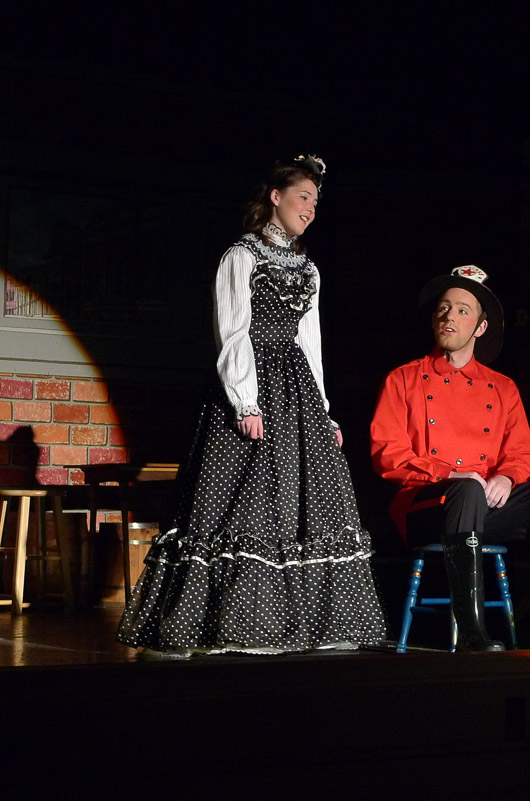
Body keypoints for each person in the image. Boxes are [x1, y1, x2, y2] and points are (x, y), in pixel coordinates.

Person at [117, 155, 386, 656]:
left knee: (303, 504)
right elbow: (233, 332)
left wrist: (323, 411)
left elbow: (310, 343)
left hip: (296, 392)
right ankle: (225, 625)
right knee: (239, 502)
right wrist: (245, 401)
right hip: (251, 385)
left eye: (315, 201)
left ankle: (310, 624)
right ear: (275, 197)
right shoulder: (241, 256)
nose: (310, 208)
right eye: (303, 197)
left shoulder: (309, 269)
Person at [370, 265, 530, 651]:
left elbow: (522, 454)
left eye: (462, 310)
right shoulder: (403, 379)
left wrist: (507, 478)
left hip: (485, 508)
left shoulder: (502, 387)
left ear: (480, 327)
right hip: (425, 508)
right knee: (466, 492)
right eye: (444, 308)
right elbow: (388, 454)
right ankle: (472, 633)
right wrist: (453, 474)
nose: (449, 317)